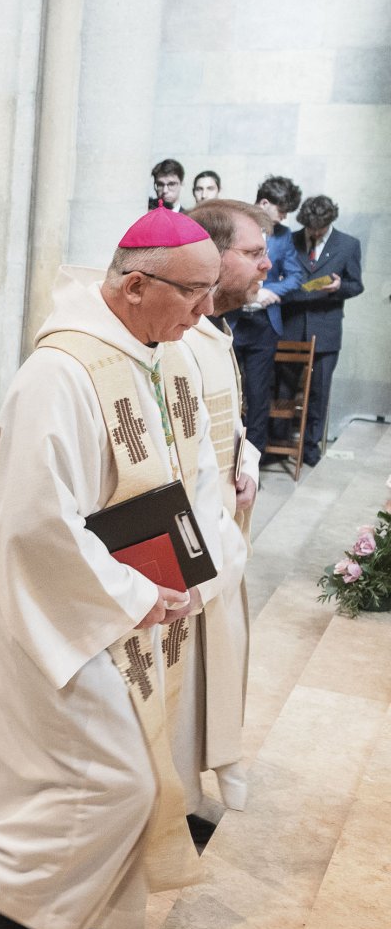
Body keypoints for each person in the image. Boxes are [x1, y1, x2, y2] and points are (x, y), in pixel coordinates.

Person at [0, 207, 235, 929]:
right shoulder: (60, 373)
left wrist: (199, 571)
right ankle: (1, 888)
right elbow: (37, 521)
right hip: (61, 612)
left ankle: (68, 918)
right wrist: (132, 593)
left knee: (126, 769)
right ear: (137, 284)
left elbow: (198, 475)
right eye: (195, 294)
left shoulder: (168, 356)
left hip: (137, 609)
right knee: (113, 777)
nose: (206, 314)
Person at [180, 198, 272, 820]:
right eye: (255, 252)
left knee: (213, 663)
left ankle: (186, 792)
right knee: (186, 677)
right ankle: (176, 799)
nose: (268, 264)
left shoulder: (212, 331)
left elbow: (223, 422)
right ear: (214, 255)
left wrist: (247, 455)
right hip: (192, 537)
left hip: (220, 526)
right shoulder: (178, 337)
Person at [277, 194, 364, 467]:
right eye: (309, 228)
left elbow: (356, 285)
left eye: (319, 229)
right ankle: (277, 443)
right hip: (290, 328)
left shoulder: (348, 245)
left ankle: (310, 446)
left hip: (325, 332)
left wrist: (339, 288)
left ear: (330, 222)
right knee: (282, 389)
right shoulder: (289, 240)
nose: (313, 234)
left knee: (319, 391)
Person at [232, 176, 304, 451]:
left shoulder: (283, 236)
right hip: (234, 321)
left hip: (265, 325)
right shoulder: (235, 225)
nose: (285, 217)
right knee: (228, 390)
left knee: (258, 395)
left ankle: (252, 462)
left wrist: (266, 289)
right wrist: (248, 291)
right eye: (282, 210)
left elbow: (296, 276)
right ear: (265, 203)